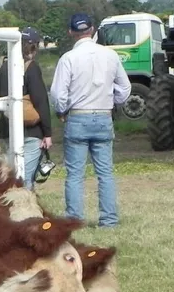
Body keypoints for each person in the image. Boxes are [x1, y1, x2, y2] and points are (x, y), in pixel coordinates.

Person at [50, 13, 131, 227]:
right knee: (105, 173)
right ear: (92, 29)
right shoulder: (111, 55)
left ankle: (74, 220)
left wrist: (61, 110)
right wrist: (112, 101)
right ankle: (109, 220)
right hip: (103, 115)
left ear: (71, 32)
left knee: (75, 174)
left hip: (78, 116)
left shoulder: (68, 58)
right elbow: (125, 88)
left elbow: (58, 93)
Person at [0, 27, 53, 190]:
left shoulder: (5, 67)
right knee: (25, 179)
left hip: (8, 129)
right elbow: (41, 101)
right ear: (35, 46)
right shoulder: (31, 67)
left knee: (12, 175)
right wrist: (47, 133)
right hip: (31, 131)